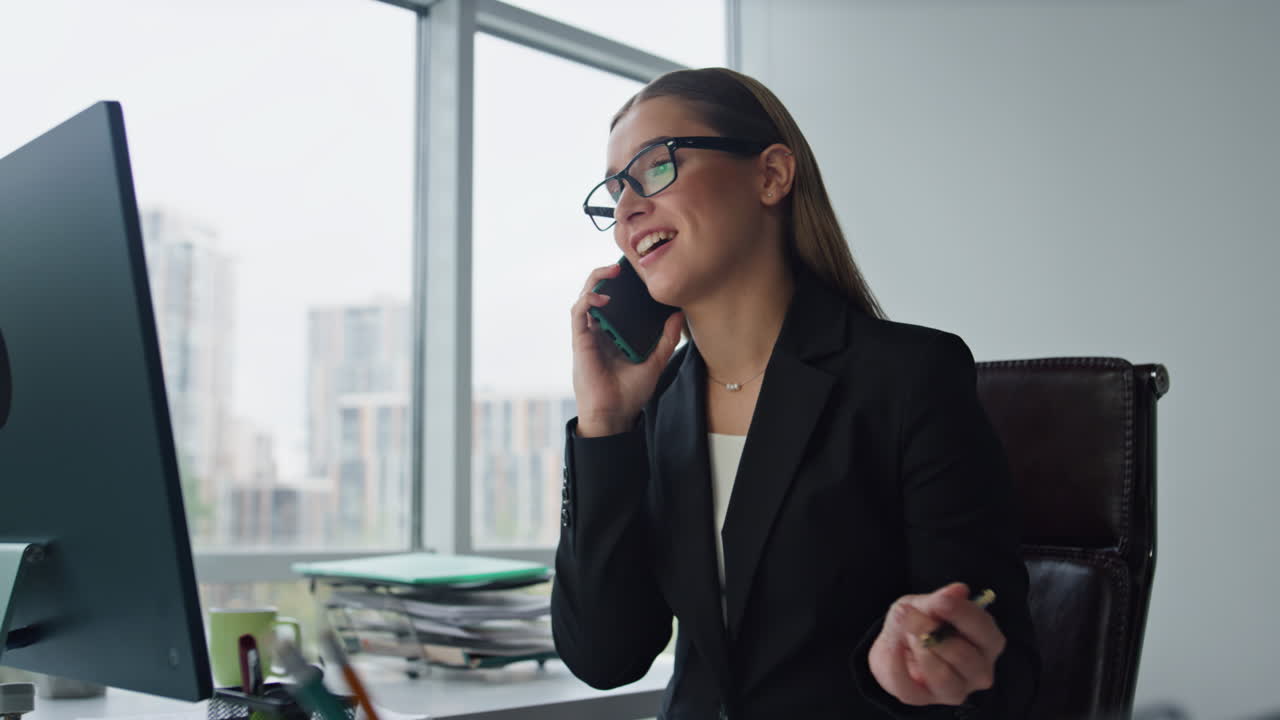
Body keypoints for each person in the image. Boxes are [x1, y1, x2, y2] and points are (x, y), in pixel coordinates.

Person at [552, 67, 1039, 719]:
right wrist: (605, 424)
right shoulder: (661, 404)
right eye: (614, 194)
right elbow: (606, 657)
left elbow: (1003, 675)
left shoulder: (910, 376)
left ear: (772, 175)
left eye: (656, 167)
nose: (629, 210)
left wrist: (913, 662)